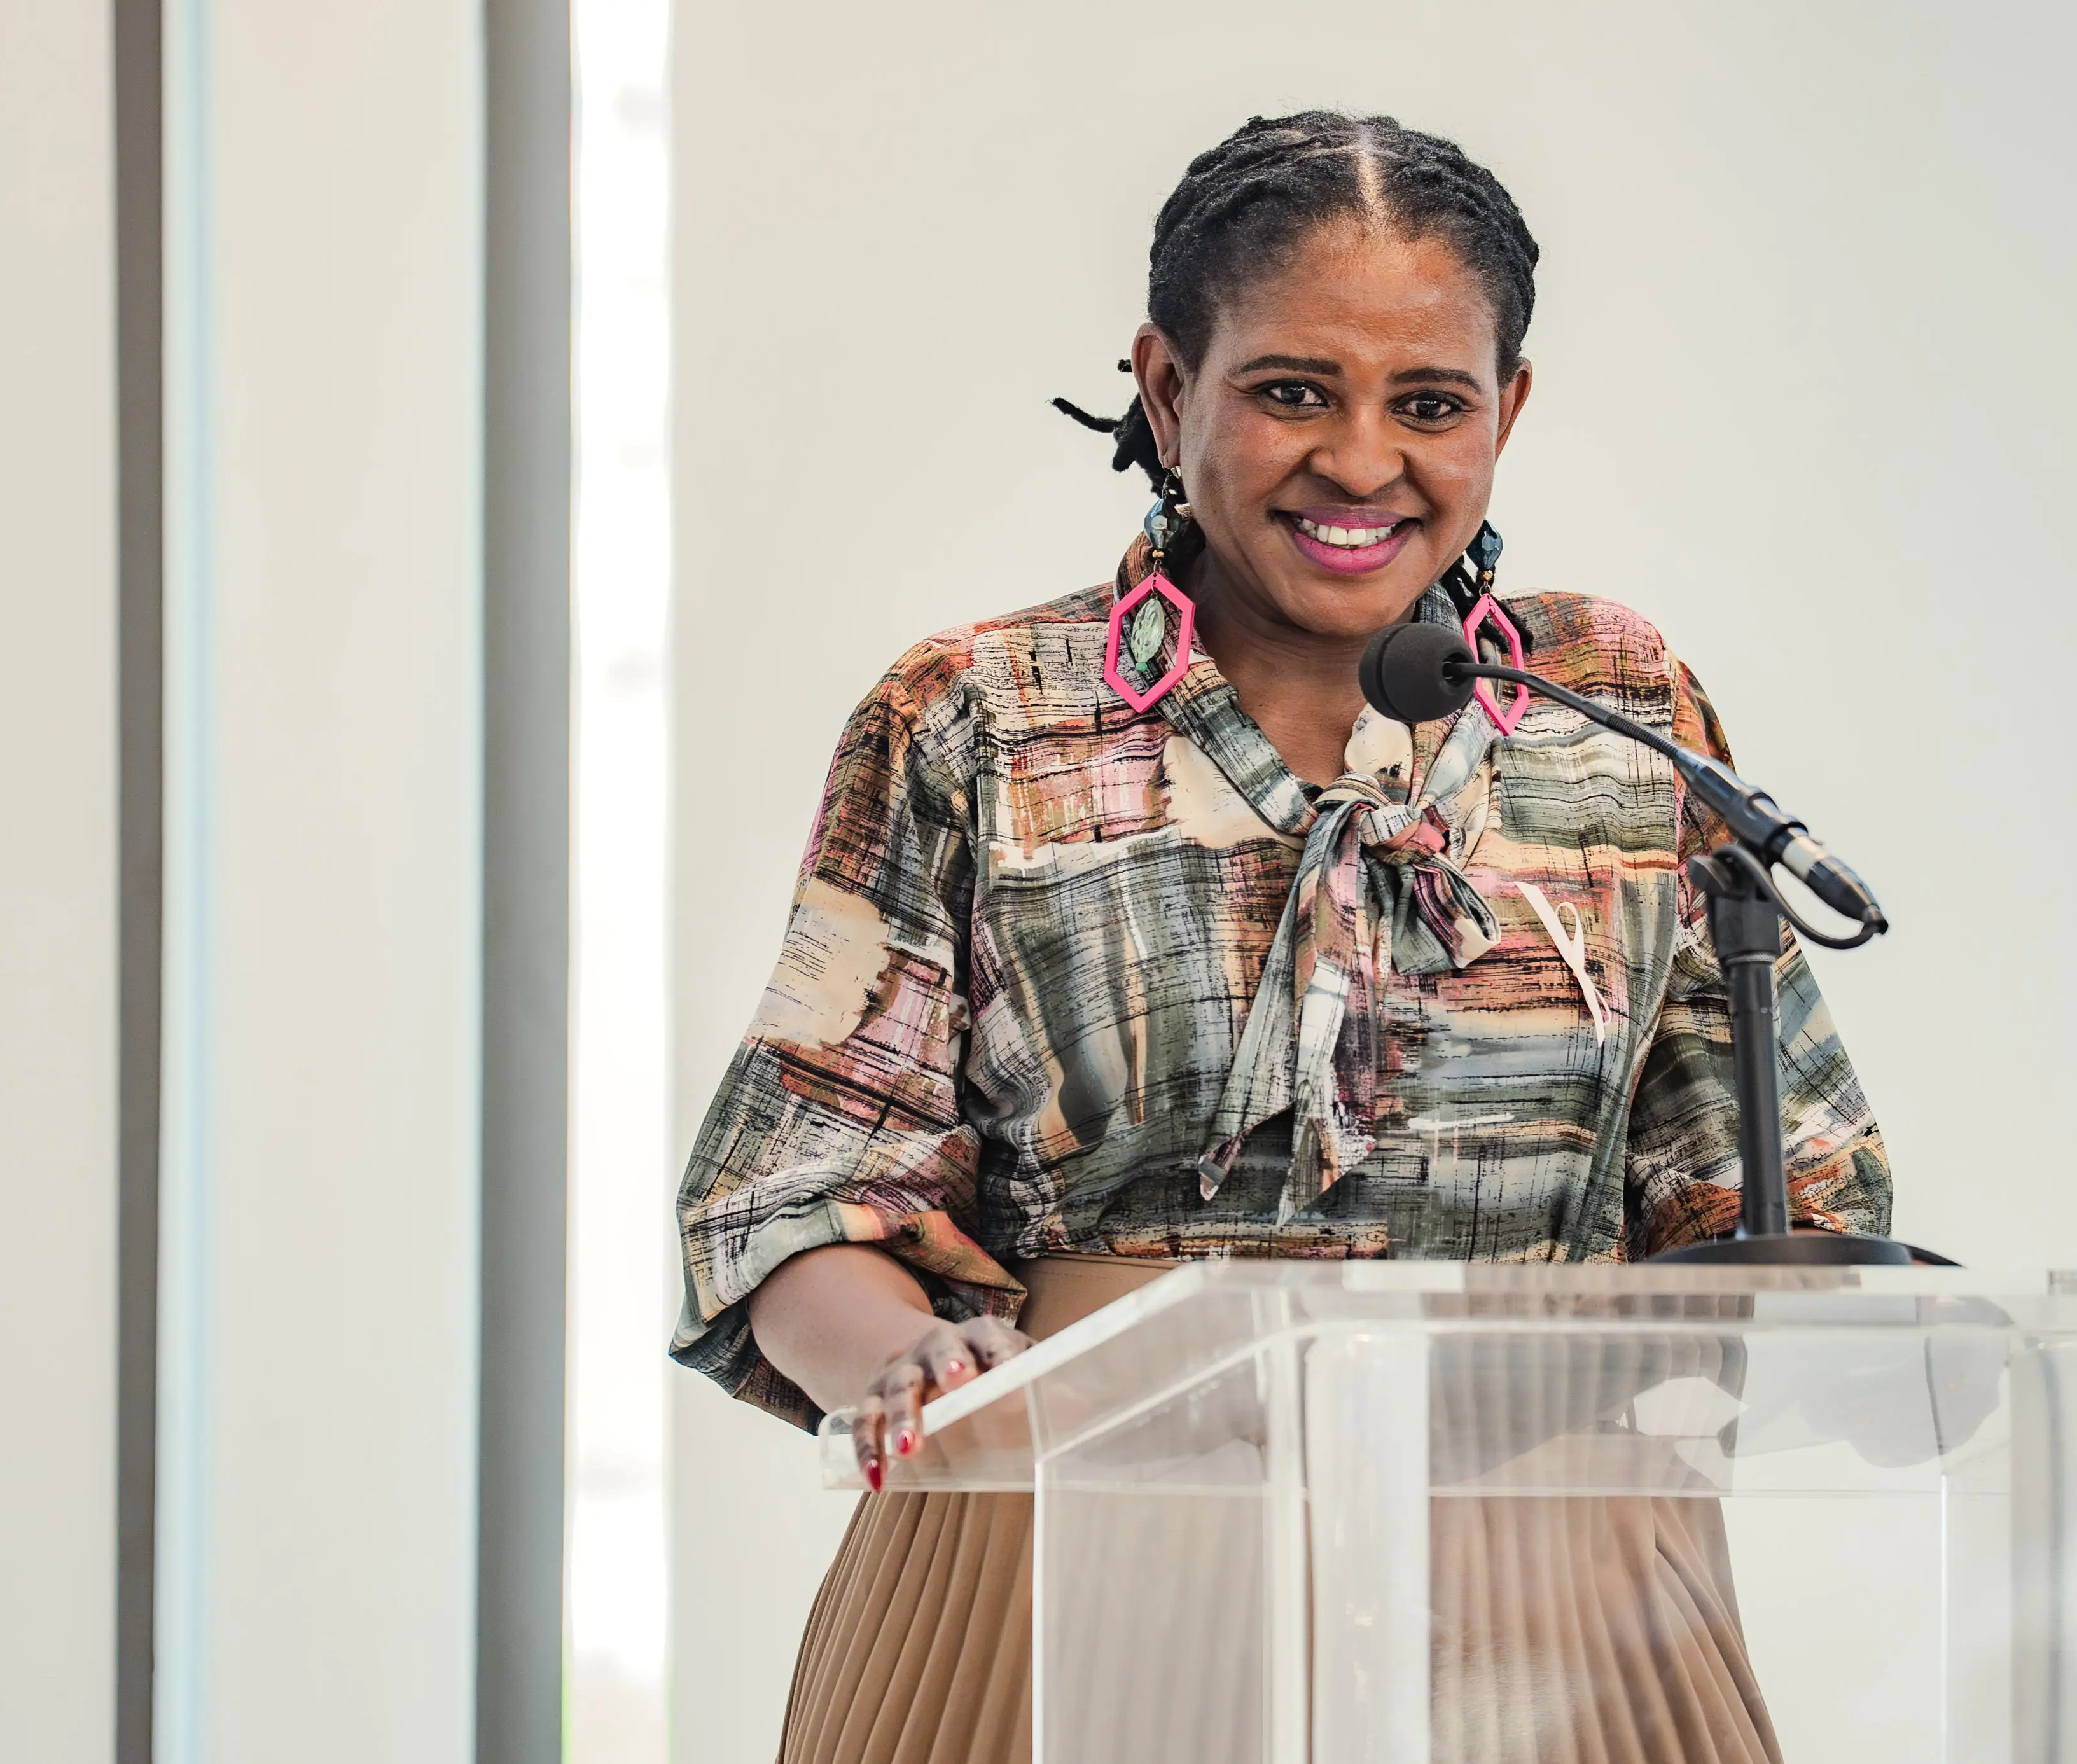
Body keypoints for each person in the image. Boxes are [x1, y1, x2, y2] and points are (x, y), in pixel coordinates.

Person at [671, 110, 1893, 1764]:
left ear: (1507, 413)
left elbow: (1783, 1204)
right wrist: (929, 1375)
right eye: (1293, 390)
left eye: (1432, 402)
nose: (1364, 459)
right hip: (1057, 1578)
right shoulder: (985, 717)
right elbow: (789, 1200)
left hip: (1549, 1622)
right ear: (1169, 389)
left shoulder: (1613, 712)